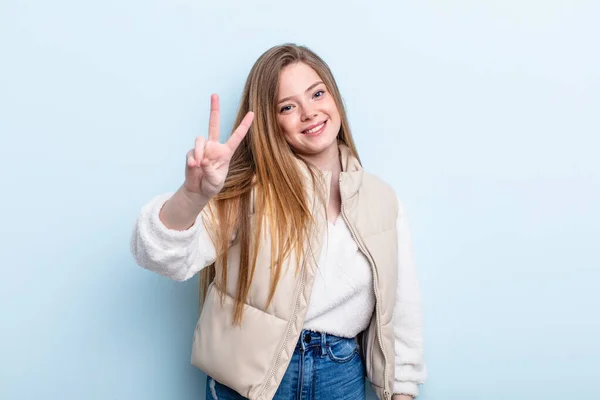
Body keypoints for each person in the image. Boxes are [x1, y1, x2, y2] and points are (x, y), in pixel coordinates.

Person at [130, 43, 426, 400]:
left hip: (340, 375)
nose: (309, 113)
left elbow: (402, 310)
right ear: (272, 123)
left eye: (317, 93)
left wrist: (402, 392)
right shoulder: (247, 190)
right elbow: (161, 257)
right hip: (247, 377)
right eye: (288, 106)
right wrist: (192, 197)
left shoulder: (383, 199)